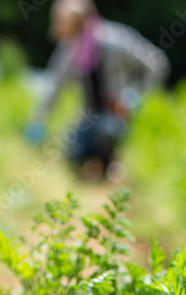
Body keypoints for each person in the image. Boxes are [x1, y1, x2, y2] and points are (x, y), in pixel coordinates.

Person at [26, 0, 169, 180]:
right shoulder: (70, 49)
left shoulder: (117, 41)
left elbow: (157, 64)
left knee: (108, 131)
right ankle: (92, 162)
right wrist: (39, 119)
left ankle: (109, 163)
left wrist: (135, 95)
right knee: (70, 150)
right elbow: (55, 86)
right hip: (88, 116)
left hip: (117, 115)